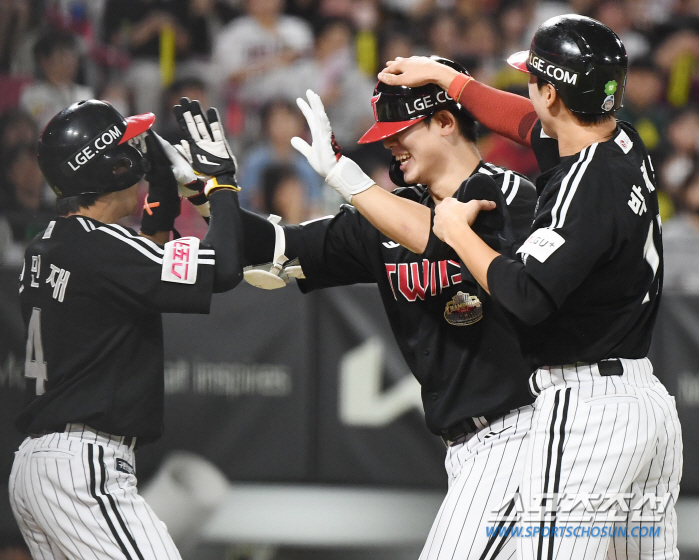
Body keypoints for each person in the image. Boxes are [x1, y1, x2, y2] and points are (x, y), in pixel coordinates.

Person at [379, 15, 682, 560]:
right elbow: (524, 121)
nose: (528, 93)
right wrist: (448, 81)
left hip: (589, 409)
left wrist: (454, 232)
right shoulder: (622, 142)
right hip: (646, 404)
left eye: (533, 82)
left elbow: (525, 294)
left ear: (554, 93)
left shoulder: (583, 185)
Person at [242, 57, 540, 560]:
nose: (390, 144)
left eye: (402, 130)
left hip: (525, 433)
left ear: (446, 121)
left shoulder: (512, 196)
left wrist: (347, 179)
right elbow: (278, 245)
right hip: (466, 450)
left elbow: (438, 236)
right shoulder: (385, 213)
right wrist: (214, 194)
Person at [9, 98, 244, 559]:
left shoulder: (51, 243)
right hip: (83, 464)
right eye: (126, 146)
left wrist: (161, 183)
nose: (136, 150)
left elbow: (144, 266)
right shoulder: (100, 247)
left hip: (40, 464)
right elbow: (226, 268)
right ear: (110, 167)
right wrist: (220, 185)